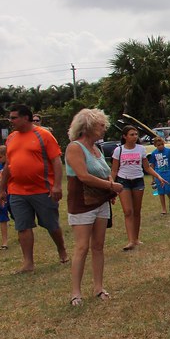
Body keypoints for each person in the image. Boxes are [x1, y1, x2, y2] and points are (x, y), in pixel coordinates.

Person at [0, 104, 69, 271]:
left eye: (14, 117)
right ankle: (28, 263)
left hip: (42, 189)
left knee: (51, 224)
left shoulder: (43, 135)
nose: (11, 121)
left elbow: (56, 161)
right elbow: (8, 164)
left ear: (26, 118)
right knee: (23, 226)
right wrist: (3, 189)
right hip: (17, 191)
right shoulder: (11, 138)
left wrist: (57, 186)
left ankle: (62, 250)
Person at [64, 109, 123, 306]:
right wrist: (111, 186)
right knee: (82, 247)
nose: (104, 129)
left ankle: (99, 287)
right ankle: (75, 293)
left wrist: (109, 191)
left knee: (98, 246)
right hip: (82, 203)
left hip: (100, 203)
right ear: (87, 127)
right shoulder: (74, 148)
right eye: (100, 125)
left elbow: (105, 173)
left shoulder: (97, 150)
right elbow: (83, 176)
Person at [111, 125, 167, 251]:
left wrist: (158, 177)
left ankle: (136, 239)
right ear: (125, 136)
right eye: (131, 134)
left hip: (137, 181)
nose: (135, 137)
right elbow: (114, 170)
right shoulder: (118, 150)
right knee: (128, 211)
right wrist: (111, 184)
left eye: (136, 134)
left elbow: (147, 167)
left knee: (136, 211)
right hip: (123, 181)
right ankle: (130, 240)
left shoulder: (141, 149)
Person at [149, 136, 170, 214]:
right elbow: (152, 166)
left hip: (168, 173)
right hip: (158, 173)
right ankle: (164, 209)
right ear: (155, 146)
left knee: (168, 189)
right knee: (161, 192)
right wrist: (153, 178)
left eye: (161, 144)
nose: (160, 146)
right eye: (158, 145)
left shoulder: (169, 151)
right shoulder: (154, 153)